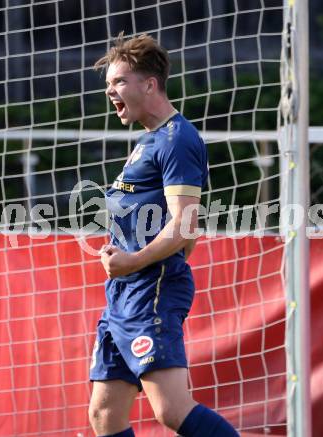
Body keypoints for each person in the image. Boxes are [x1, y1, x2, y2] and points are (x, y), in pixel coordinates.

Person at [89, 33, 240, 437]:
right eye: (109, 85)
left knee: (171, 410)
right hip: (125, 291)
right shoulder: (148, 141)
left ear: (149, 84)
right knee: (104, 414)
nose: (110, 91)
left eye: (119, 82)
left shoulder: (177, 139)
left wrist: (135, 260)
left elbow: (187, 226)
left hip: (149, 288)